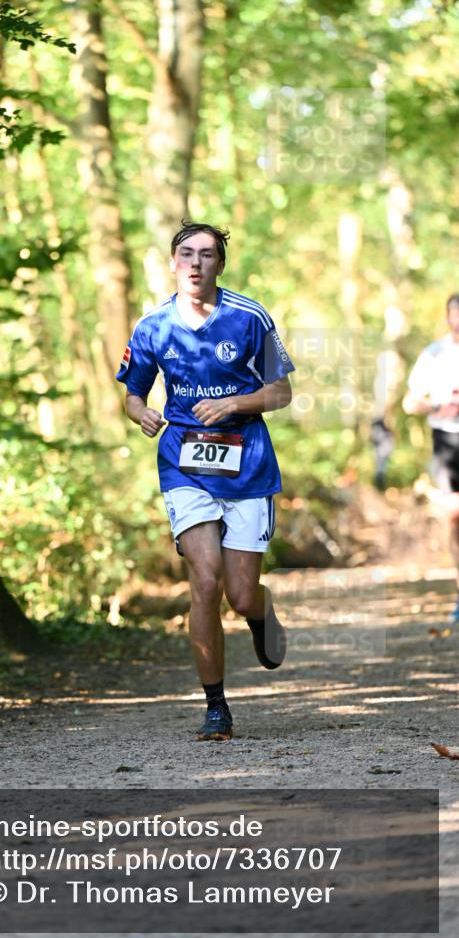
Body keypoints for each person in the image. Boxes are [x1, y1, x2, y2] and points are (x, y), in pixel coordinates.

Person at [116, 221, 295, 741]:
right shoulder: (152, 327)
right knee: (206, 580)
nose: (196, 263)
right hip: (184, 465)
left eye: (208, 255)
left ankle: (261, 613)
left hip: (248, 464)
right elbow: (131, 392)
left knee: (239, 595)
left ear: (220, 264)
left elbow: (280, 392)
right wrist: (140, 413)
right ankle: (216, 706)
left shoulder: (249, 317)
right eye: (187, 254)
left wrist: (234, 403)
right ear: (173, 263)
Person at [403, 294, 459, 621]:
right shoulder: (434, 354)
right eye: (454, 314)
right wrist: (438, 407)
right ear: (446, 316)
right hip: (447, 440)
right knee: (454, 516)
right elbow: (410, 403)